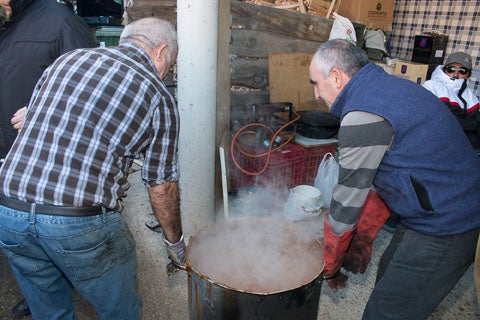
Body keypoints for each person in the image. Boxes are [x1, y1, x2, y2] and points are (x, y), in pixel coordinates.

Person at [0, 17, 184, 320]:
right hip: (76, 222)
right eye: (170, 65)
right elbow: (161, 187)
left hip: (9, 211)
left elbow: (31, 120)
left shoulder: (68, 60)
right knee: (120, 311)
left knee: (50, 313)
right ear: (161, 51)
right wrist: (174, 243)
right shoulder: (159, 95)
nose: (166, 75)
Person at [309, 39, 480, 319]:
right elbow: (389, 173)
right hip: (435, 202)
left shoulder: (362, 114)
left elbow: (346, 201)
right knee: (389, 270)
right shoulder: (388, 87)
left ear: (337, 77)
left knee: (387, 312)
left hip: (451, 217)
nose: (316, 94)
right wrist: (363, 234)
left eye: (316, 83)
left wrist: (330, 262)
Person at [0, 0, 97, 316]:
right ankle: (38, 292)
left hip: (38, 157)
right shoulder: (9, 20)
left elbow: (92, 86)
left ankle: (55, 290)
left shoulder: (60, 20)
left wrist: (42, 113)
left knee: (41, 231)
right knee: (18, 240)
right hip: (4, 154)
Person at [423, 51, 480, 151]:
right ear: (445, 70)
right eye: (451, 69)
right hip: (437, 138)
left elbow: (475, 123)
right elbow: (435, 118)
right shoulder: (432, 85)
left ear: (468, 74)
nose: (455, 74)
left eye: (462, 70)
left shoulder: (469, 96)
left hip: (461, 139)